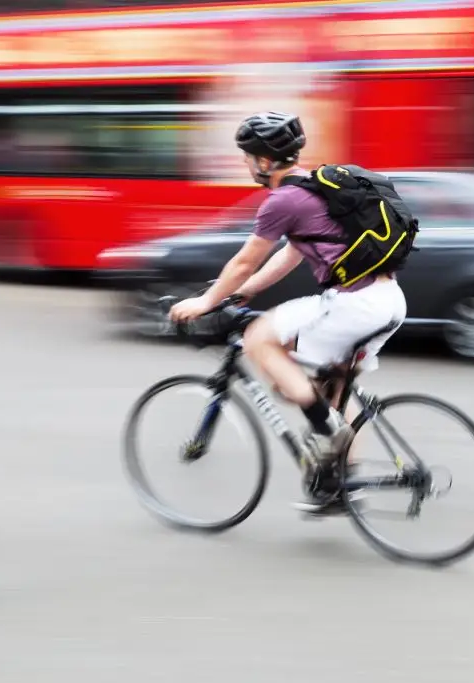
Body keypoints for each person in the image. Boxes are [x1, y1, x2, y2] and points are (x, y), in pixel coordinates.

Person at [169, 111, 407, 515]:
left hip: (355, 303)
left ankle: (329, 430)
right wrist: (243, 292)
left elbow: (245, 261)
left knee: (258, 338)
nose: (247, 164)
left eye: (248, 157)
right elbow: (289, 256)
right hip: (388, 301)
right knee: (330, 389)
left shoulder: (282, 201)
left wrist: (206, 302)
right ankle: (341, 488)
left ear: (264, 161)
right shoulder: (315, 189)